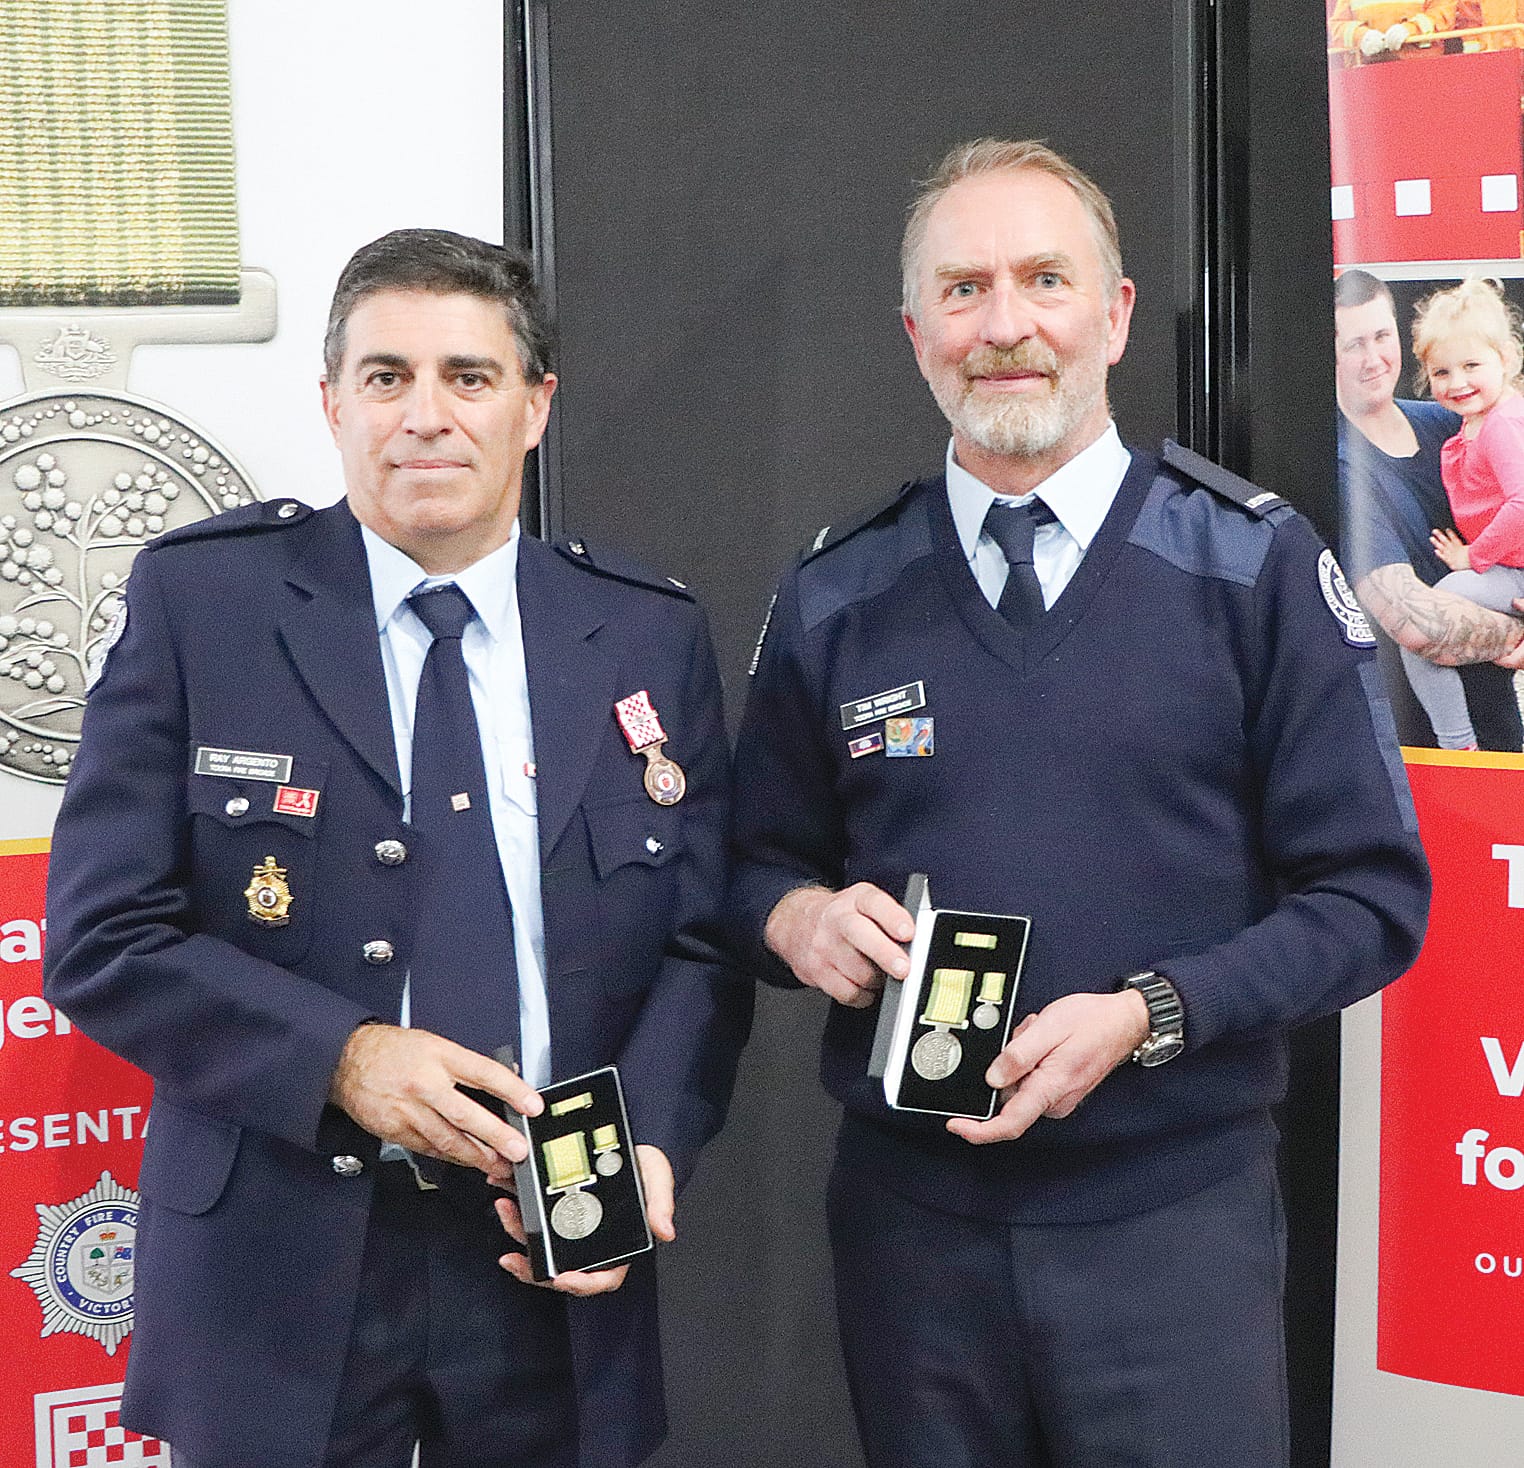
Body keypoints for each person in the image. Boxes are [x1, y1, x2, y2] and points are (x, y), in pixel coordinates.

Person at [729, 139, 1431, 1467]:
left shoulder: (1252, 566)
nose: (1005, 326)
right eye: (964, 288)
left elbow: (1370, 899)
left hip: (1174, 1230)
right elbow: (747, 859)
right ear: (915, 332)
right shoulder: (838, 591)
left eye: (1046, 281)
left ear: (1112, 317)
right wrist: (800, 919)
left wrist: (1152, 1014)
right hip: (913, 1235)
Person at [43, 229, 751, 1468]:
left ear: (535, 406)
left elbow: (700, 940)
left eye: (469, 378)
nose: (426, 415)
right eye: (386, 377)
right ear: (330, 404)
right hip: (278, 1255)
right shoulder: (204, 605)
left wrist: (650, 1140)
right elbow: (104, 940)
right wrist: (344, 1058)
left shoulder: (644, 632)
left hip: (552, 1240)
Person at [1334, 268, 1524, 749]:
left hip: (1499, 729)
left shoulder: (1453, 423)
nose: (1373, 358)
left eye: (1381, 335)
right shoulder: (1336, 463)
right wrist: (1516, 639)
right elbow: (1414, 625)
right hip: (1406, 749)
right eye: (1353, 344)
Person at [1395, 279, 1524, 747]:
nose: (1458, 382)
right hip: (1507, 568)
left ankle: (1457, 744)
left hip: (1512, 572)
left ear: (1507, 359)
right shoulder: (1478, 421)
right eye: (1441, 371)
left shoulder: (1503, 426)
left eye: (1472, 365)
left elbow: (1521, 504)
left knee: (1424, 621)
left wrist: (1475, 557)